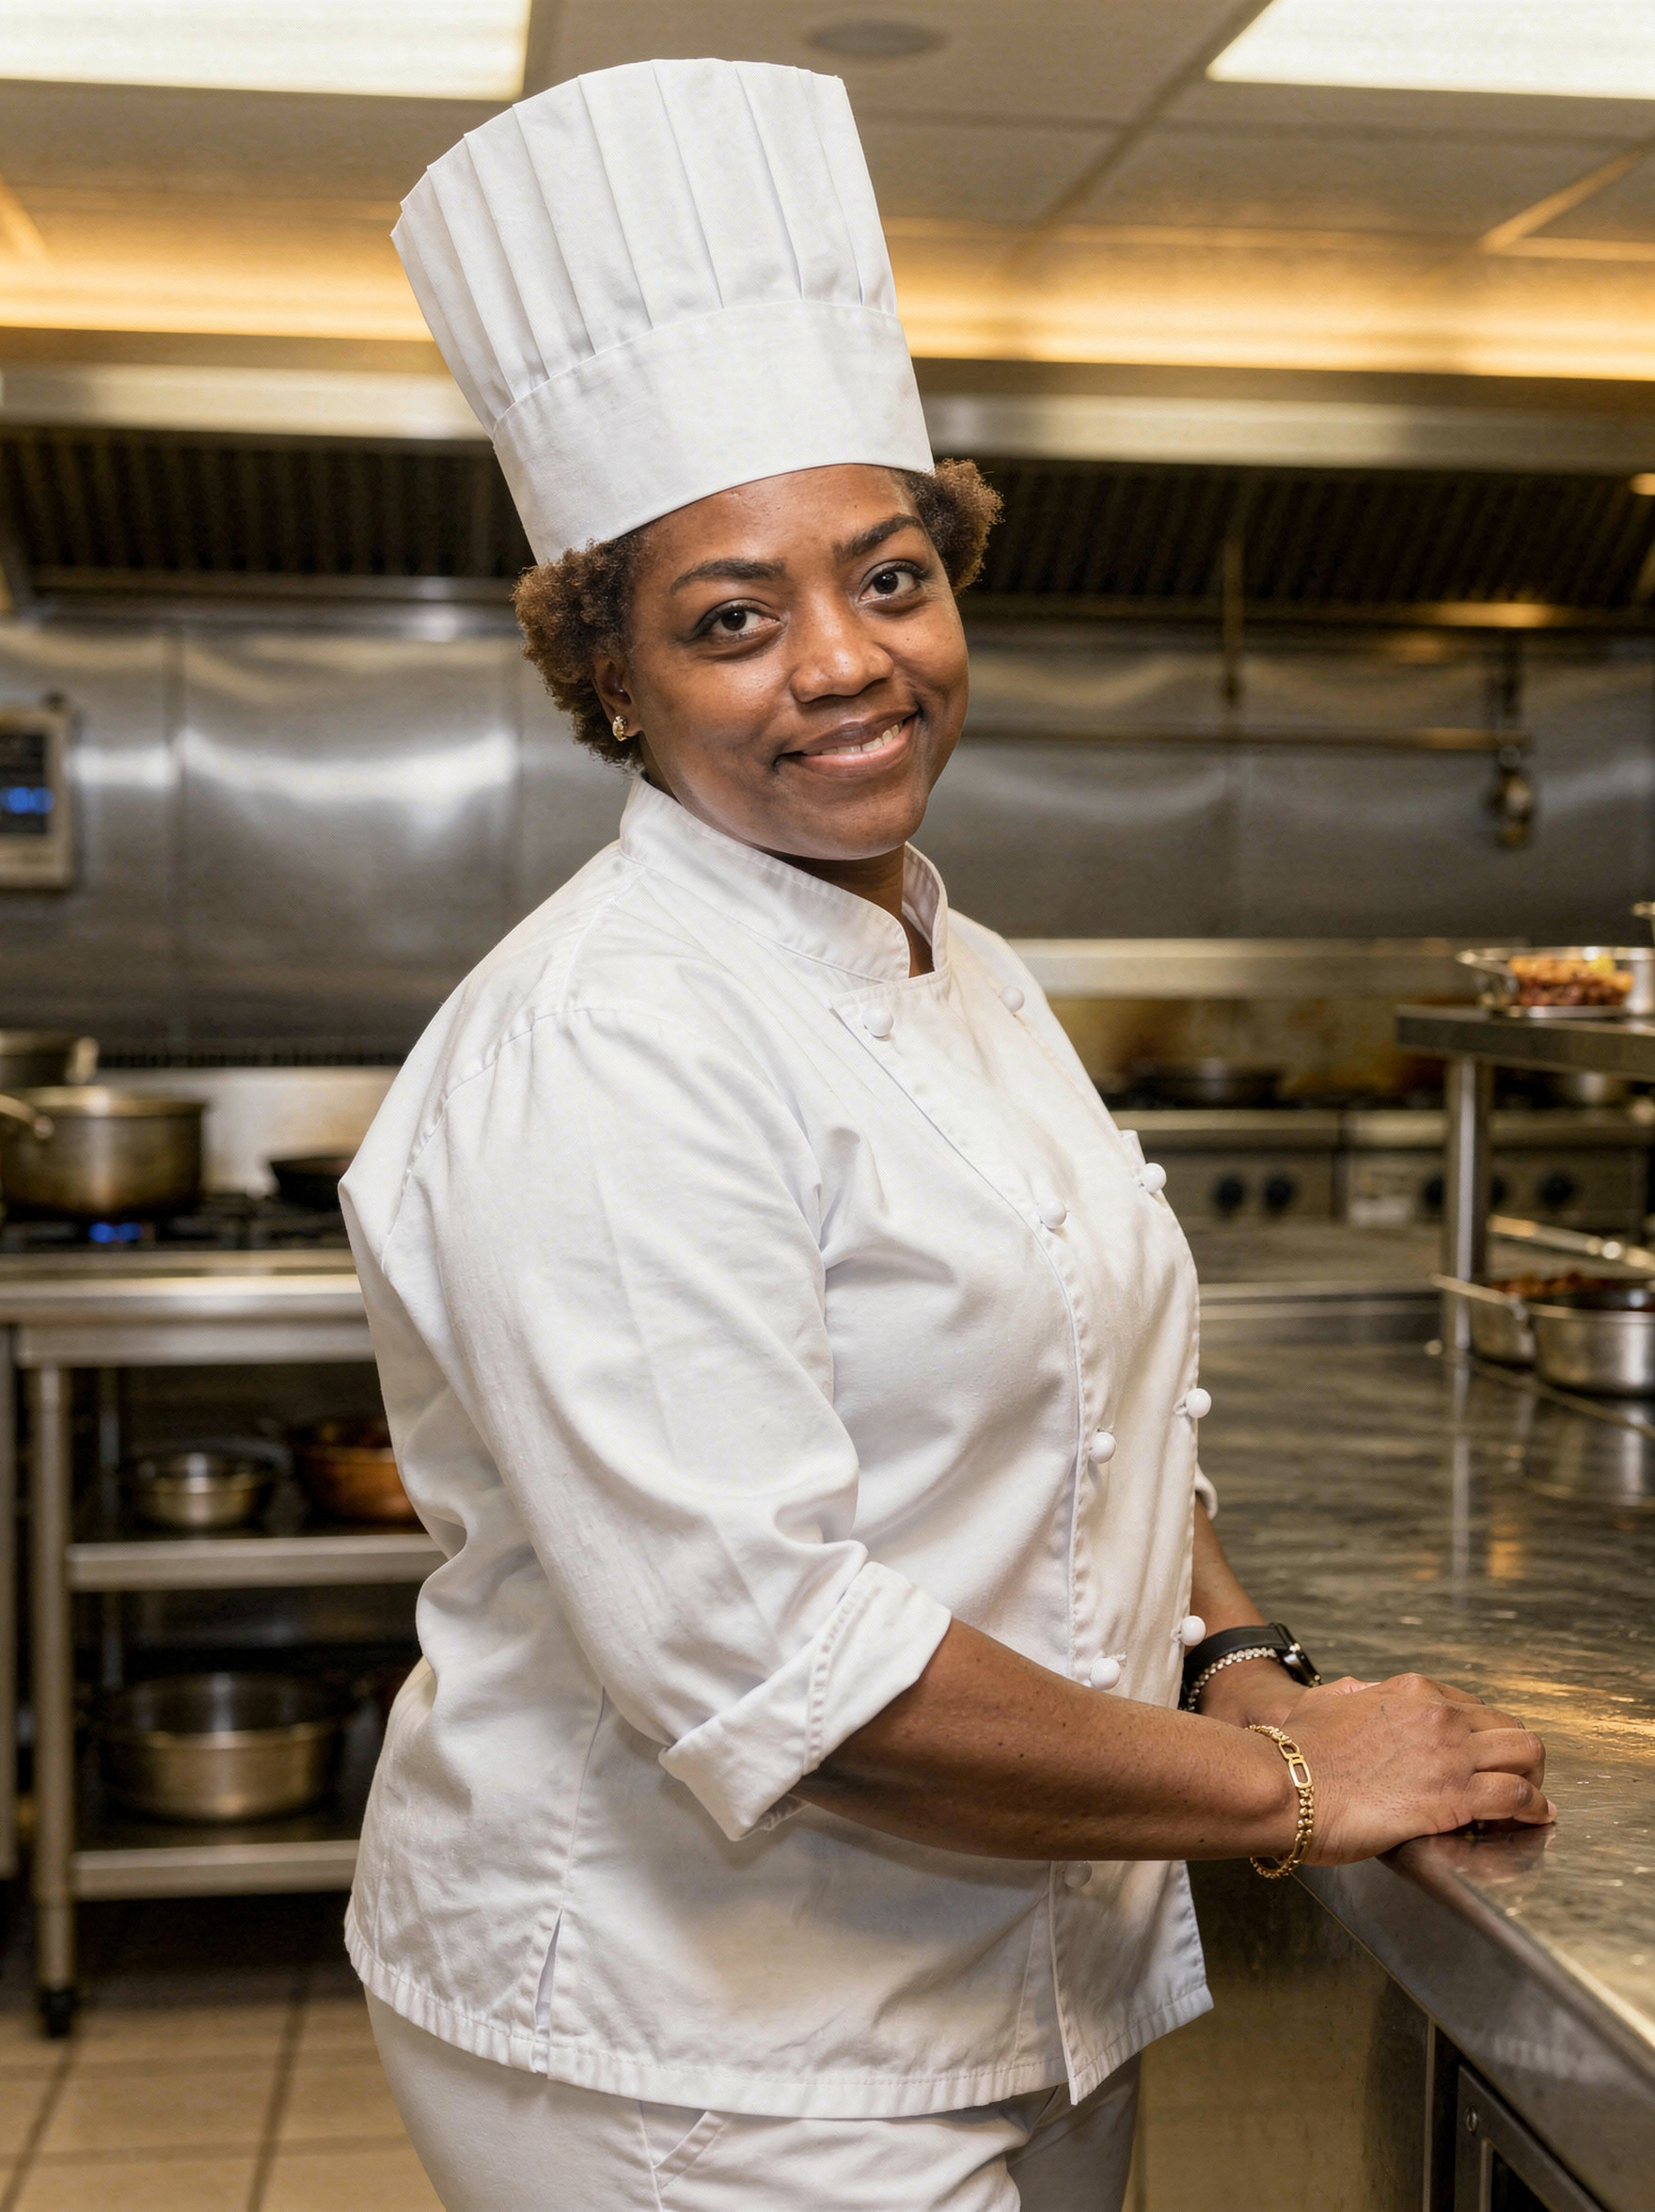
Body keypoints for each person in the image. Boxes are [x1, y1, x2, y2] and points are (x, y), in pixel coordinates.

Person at [340, 57, 1552, 2212]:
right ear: (606, 674)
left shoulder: (943, 956)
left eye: (888, 578)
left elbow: (1082, 1392)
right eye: (732, 616)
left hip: (1016, 1966)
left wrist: (1227, 1649)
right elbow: (782, 1673)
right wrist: (1283, 1773)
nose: (843, 661)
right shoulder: (612, 1039)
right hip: (702, 2053)